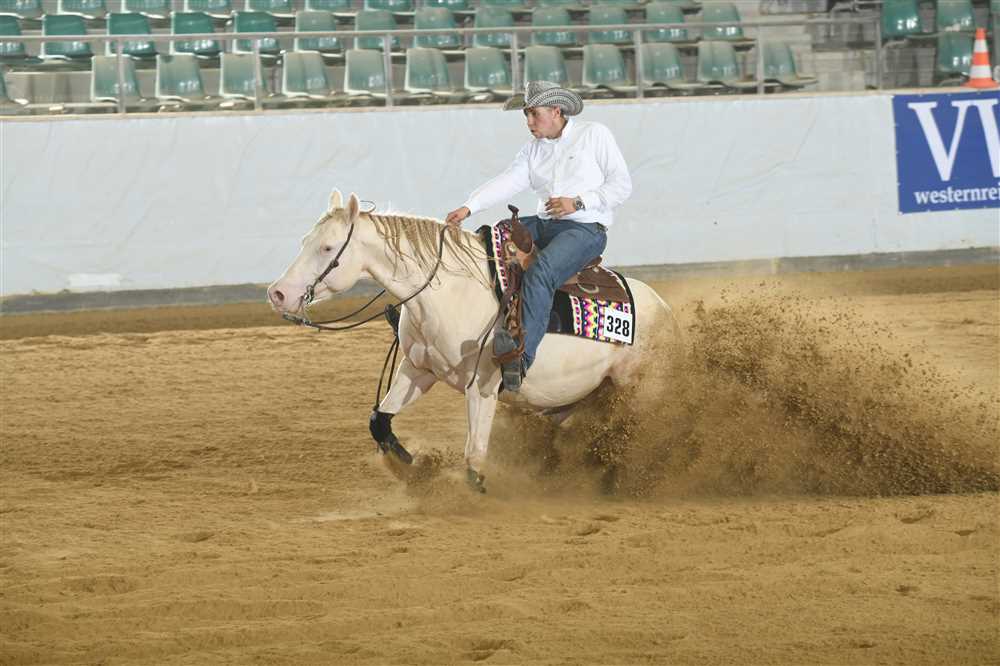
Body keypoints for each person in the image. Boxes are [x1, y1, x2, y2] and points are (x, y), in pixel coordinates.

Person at [445, 80, 632, 393]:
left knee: (541, 272)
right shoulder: (532, 150)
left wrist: (578, 202)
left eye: (534, 114)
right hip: (545, 224)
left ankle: (521, 358)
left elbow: (621, 185)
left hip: (585, 228)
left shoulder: (594, 135)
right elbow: (508, 181)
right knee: (490, 238)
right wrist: (469, 207)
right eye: (526, 115)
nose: (529, 122)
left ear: (556, 111)